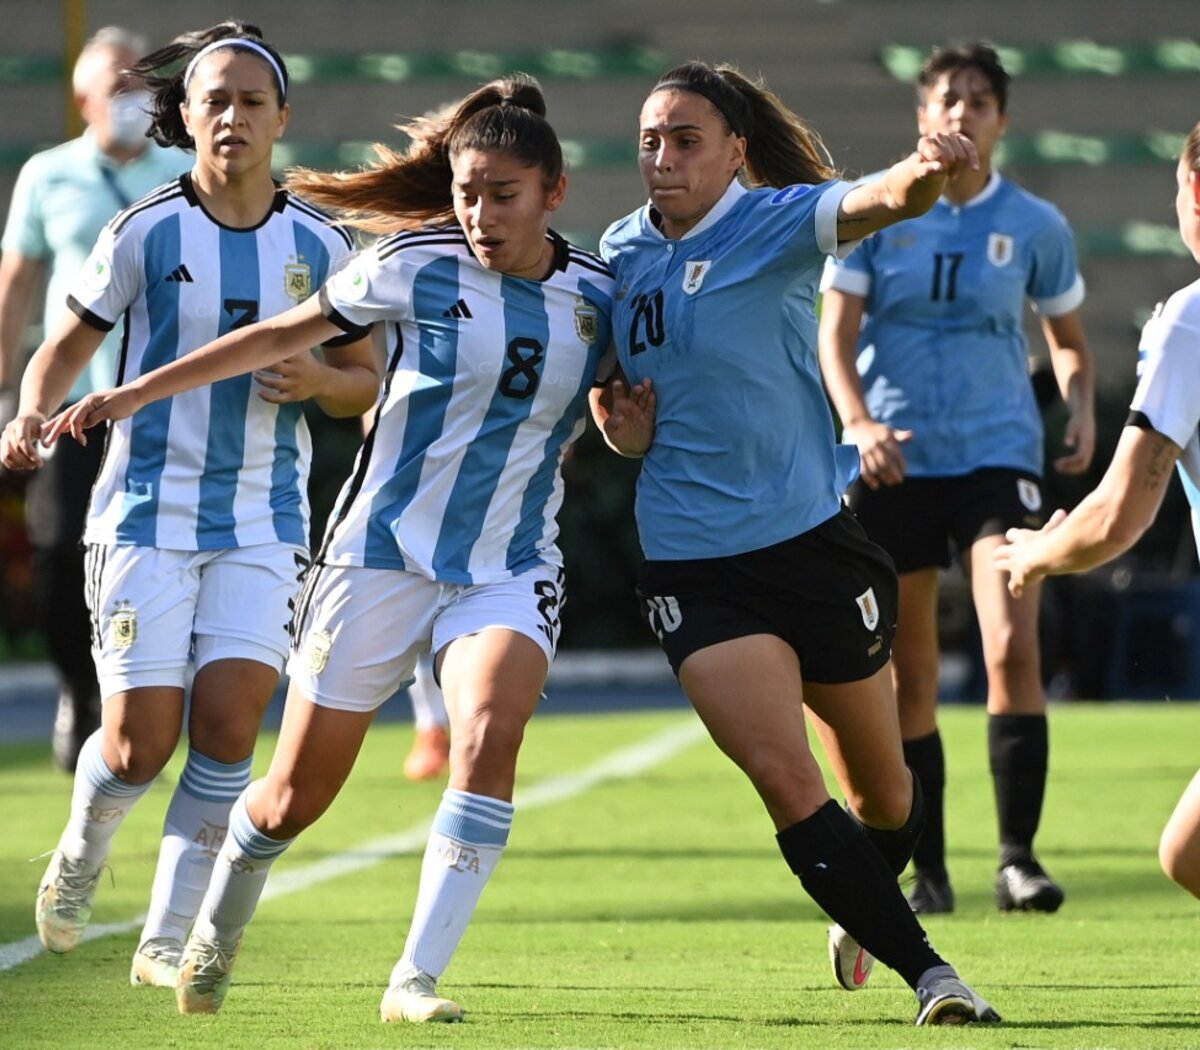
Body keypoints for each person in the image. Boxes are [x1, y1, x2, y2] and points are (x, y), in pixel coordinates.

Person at [46, 72, 652, 1022]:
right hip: (376, 557)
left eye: (504, 196)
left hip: (508, 561)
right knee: (288, 798)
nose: (481, 214)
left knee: (489, 737)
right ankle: (216, 924)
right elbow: (277, 335)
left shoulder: (598, 299)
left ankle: (414, 980)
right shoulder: (413, 266)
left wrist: (631, 428)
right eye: (466, 194)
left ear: (553, 193)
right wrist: (129, 393)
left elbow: (625, 428)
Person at [592, 61, 998, 1026]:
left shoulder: (773, 222)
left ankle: (858, 903)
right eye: (650, 139)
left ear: (735, 150)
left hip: (814, 542)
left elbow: (882, 199)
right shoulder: (620, 253)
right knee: (784, 776)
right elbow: (618, 401)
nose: (662, 157)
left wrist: (929, 166)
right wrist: (625, 432)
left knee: (889, 797)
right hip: (692, 560)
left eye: (686, 139)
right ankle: (934, 976)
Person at [2, 21, 378, 990]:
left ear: (282, 117)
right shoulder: (146, 230)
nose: (235, 117)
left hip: (264, 522)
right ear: (187, 116)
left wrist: (321, 387)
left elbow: (367, 375)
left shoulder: (323, 244)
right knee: (138, 744)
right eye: (215, 100)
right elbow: (66, 344)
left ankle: (167, 935)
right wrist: (33, 409)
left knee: (225, 728)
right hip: (144, 516)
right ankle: (85, 845)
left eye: (254, 101)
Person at [818, 43, 1095, 915]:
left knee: (1012, 643)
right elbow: (835, 336)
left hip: (997, 454)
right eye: (948, 98)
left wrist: (1080, 404)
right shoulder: (887, 210)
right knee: (911, 667)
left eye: (980, 100)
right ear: (923, 118)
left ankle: (1018, 859)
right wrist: (858, 423)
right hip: (895, 455)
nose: (963, 113)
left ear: (1002, 121)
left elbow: (1069, 343)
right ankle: (927, 868)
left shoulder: (1037, 224)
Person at [995, 121, 1200, 905]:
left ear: (1194, 192)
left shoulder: (1189, 319)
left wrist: (1035, 555)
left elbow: (1120, 511)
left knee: (1190, 852)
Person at [0, 27, 190, 772]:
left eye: (139, 85)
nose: (128, 100)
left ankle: (146, 702)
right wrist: (10, 392)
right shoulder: (49, 175)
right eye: (113, 86)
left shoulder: (184, 170)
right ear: (81, 98)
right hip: (73, 404)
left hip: (165, 401)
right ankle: (81, 687)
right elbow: (17, 281)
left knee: (166, 555)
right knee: (56, 550)